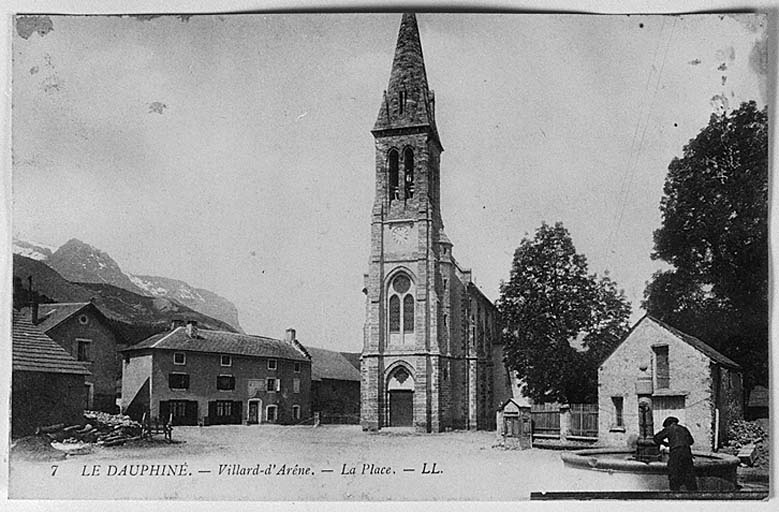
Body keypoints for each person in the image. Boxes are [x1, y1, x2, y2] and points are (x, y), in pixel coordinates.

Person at [653, 416, 698, 491]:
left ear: (668, 424)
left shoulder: (669, 428)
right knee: (689, 475)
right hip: (687, 453)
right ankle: (693, 495)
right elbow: (691, 441)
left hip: (676, 453)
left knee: (674, 474)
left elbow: (656, 438)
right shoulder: (684, 428)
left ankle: (674, 494)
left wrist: (665, 443)